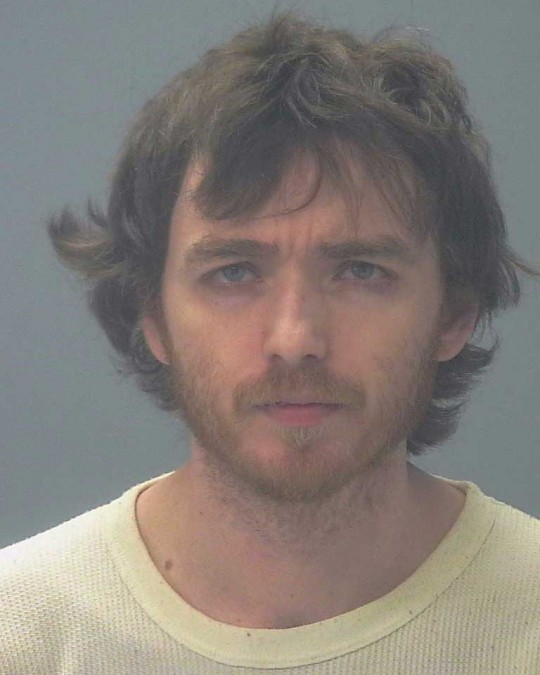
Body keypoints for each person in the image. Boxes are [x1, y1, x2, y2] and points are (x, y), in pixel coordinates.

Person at [1, 11, 538, 674]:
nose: (294, 339)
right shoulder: (19, 632)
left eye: (360, 270)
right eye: (233, 272)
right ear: (153, 315)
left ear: (453, 313)